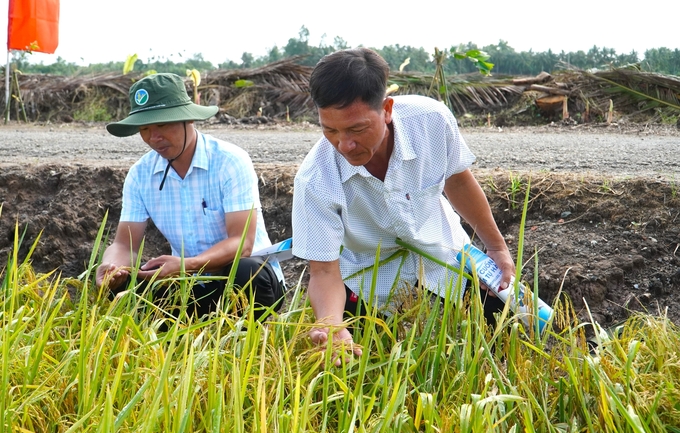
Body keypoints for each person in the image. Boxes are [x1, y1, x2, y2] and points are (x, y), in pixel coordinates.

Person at [291, 48, 514, 360]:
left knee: (510, 333)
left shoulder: (431, 122)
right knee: (374, 368)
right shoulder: (315, 179)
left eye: (357, 129)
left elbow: (458, 181)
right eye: (330, 130)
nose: (344, 144)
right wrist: (331, 323)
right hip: (371, 284)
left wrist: (496, 246)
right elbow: (324, 271)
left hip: (447, 260)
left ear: (386, 109)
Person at [96, 73, 284, 317]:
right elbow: (125, 244)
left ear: (188, 119)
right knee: (121, 286)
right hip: (187, 284)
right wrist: (111, 267)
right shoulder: (140, 175)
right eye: (144, 128)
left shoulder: (230, 161)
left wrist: (186, 266)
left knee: (245, 272)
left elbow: (242, 244)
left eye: (162, 125)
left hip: (243, 278)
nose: (154, 138)